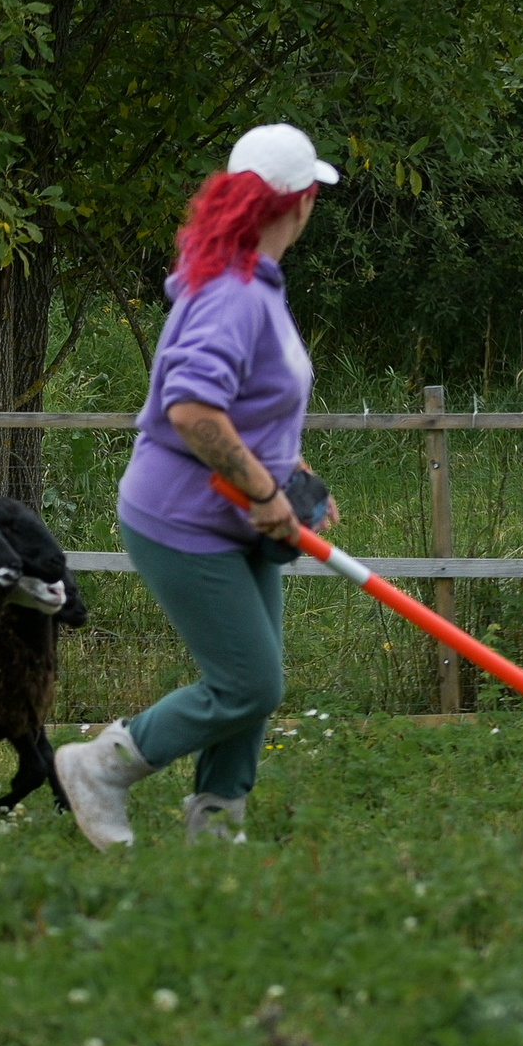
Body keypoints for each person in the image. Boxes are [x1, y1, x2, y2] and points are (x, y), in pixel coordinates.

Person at [52, 123, 339, 849]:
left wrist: (293, 476)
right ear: (302, 202)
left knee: (253, 682)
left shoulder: (249, 283)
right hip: (183, 518)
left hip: (240, 516)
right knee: (250, 683)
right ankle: (101, 766)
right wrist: (266, 494)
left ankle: (214, 832)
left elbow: (250, 404)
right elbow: (191, 409)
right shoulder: (234, 295)